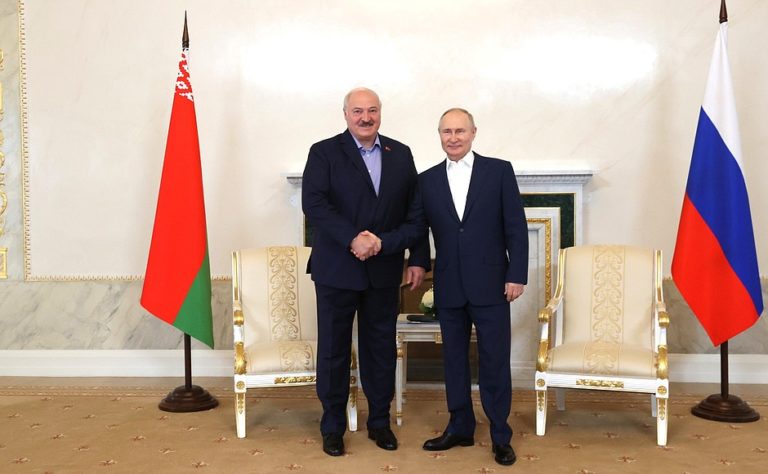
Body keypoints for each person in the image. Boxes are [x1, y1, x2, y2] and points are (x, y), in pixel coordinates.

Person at [378, 107, 528, 465]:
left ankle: (500, 434)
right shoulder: (427, 179)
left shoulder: (499, 171)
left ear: (473, 133)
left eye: (460, 131)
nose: (454, 137)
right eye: (447, 132)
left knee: (494, 360)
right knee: (454, 361)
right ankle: (460, 426)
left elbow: (516, 226)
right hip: (449, 284)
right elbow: (417, 228)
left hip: (493, 283)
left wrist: (517, 274)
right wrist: (413, 259)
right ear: (440, 136)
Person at [301, 87, 430, 457]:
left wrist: (417, 257)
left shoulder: (401, 153)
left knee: (380, 350)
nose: (365, 117)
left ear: (380, 114)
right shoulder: (323, 152)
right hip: (336, 270)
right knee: (334, 351)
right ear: (345, 114)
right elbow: (315, 204)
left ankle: (379, 422)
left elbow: (416, 212)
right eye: (357, 111)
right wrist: (353, 238)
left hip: (384, 270)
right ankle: (332, 426)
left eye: (372, 110)